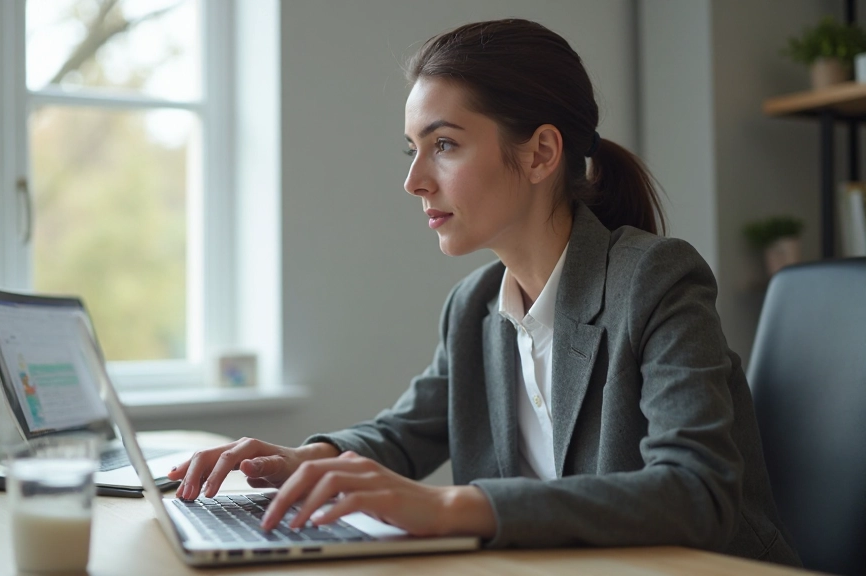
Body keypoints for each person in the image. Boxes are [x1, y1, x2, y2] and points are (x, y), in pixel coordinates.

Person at [167, 18, 801, 566]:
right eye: (413, 150)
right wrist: (307, 457)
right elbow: (404, 434)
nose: (414, 180)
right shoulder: (473, 307)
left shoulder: (656, 279)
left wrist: (451, 506)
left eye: (443, 145)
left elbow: (696, 492)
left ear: (539, 153)